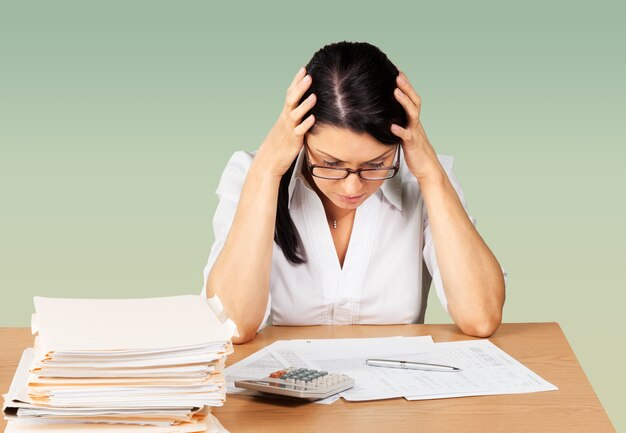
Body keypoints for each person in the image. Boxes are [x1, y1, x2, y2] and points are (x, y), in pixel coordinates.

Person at [201, 41, 506, 344]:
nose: (352, 187)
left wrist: (430, 173)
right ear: (301, 139)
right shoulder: (251, 174)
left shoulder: (423, 179)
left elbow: (480, 317)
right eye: (330, 163)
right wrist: (267, 170)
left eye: (376, 164)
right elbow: (232, 325)